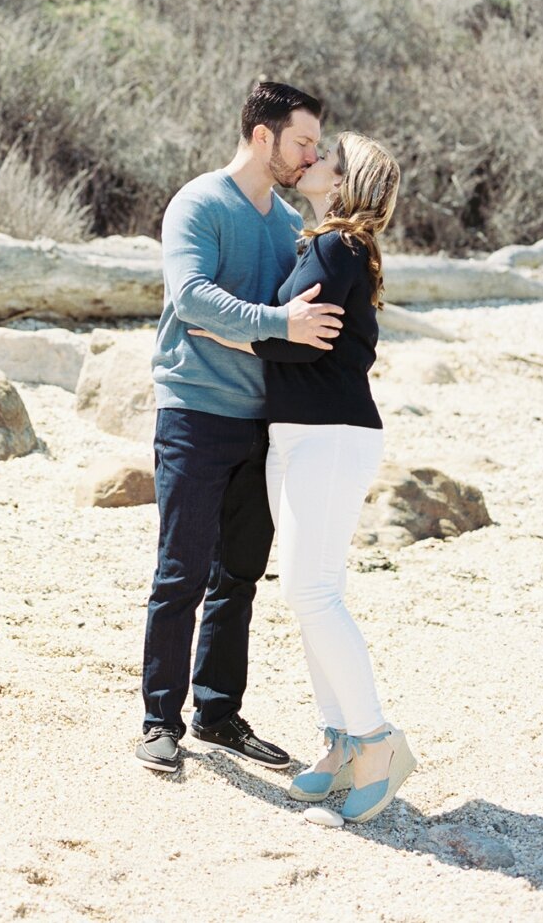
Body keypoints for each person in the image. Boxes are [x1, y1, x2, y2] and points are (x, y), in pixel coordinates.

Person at [187, 132, 417, 822]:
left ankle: (377, 741)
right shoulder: (332, 247)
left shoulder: (334, 247)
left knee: (315, 594)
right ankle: (341, 740)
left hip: (329, 437)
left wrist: (214, 327)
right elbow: (293, 333)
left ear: (346, 182)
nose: (310, 160)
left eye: (326, 157)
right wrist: (265, 329)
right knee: (311, 592)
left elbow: (287, 337)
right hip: (307, 436)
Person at [136, 81, 345, 775]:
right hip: (193, 413)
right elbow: (191, 296)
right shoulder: (199, 203)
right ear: (263, 137)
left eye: (315, 144)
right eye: (303, 142)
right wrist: (277, 324)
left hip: (262, 424)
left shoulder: (288, 223)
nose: (311, 154)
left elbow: (315, 308)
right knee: (180, 574)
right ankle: (158, 722)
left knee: (239, 576)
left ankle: (218, 714)